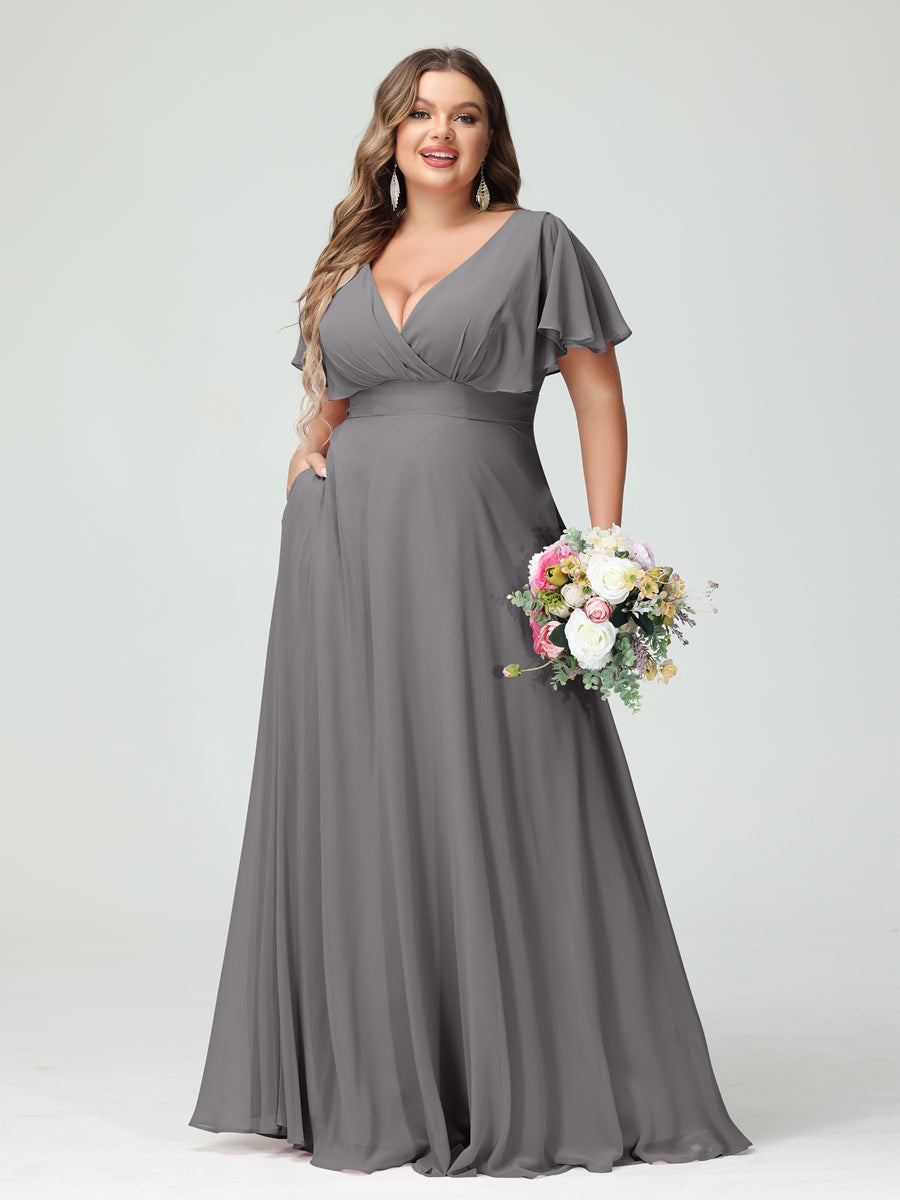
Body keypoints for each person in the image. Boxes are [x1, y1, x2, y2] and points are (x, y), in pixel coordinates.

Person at [188, 46, 753, 1179]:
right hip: (342, 556)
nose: (441, 132)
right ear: (391, 134)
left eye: (467, 115)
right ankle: (377, 1075)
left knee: (506, 780)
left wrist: (600, 549)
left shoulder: (537, 242)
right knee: (364, 786)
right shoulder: (352, 255)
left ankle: (523, 1069)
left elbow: (597, 393)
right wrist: (307, 450)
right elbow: (340, 397)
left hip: (484, 536)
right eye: (421, 113)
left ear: (492, 138)